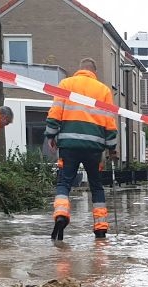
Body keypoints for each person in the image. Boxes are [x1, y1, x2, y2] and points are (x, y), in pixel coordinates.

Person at [45, 58, 118, 239]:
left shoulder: (65, 84)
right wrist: (111, 148)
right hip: (94, 148)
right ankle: (100, 227)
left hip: (69, 146)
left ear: (79, 70)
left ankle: (61, 215)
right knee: (96, 186)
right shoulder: (103, 90)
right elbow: (110, 122)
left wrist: (50, 135)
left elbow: (55, 112)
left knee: (64, 183)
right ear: (94, 72)